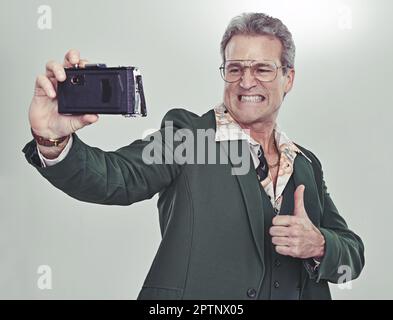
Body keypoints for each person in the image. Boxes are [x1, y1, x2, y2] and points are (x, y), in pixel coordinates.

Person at [23, 12, 364, 300]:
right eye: (234, 69)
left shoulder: (305, 163)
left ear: (288, 78)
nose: (246, 82)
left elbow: (352, 251)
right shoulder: (186, 136)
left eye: (262, 69)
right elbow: (116, 178)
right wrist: (52, 137)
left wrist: (319, 244)